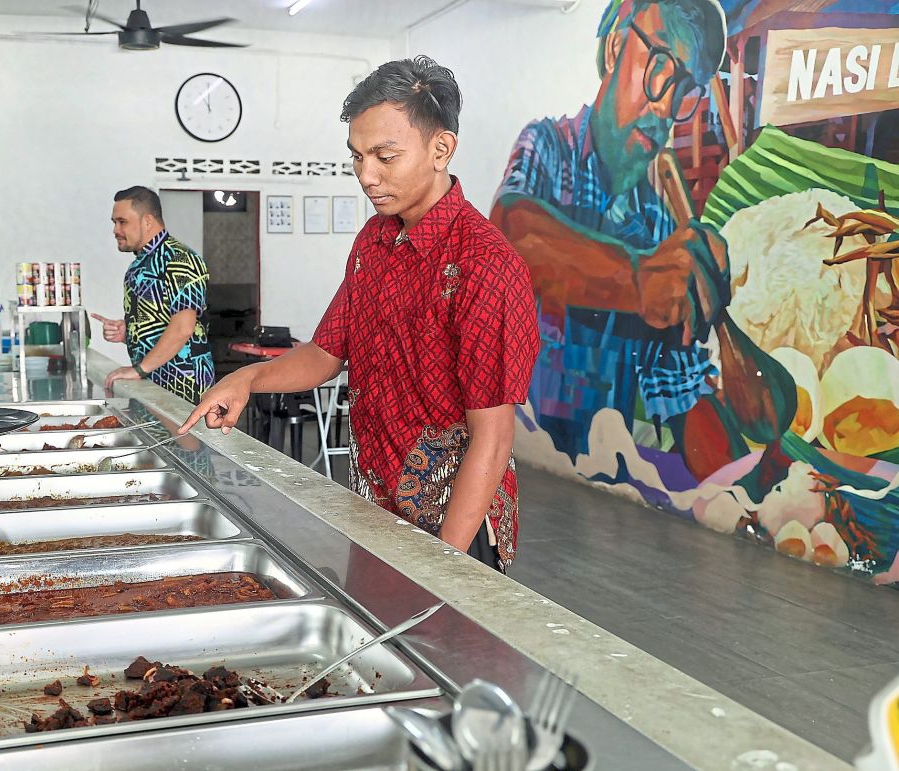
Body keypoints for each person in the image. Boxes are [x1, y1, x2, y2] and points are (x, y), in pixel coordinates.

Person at [180, 57, 540, 572]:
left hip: (455, 521)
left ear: (442, 148)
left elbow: (494, 435)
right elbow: (327, 353)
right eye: (357, 157)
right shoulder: (374, 241)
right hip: (373, 505)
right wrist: (251, 378)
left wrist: (444, 567)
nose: (366, 176)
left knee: (434, 650)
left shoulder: (484, 264)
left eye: (385, 157)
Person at [491, 0, 744, 478]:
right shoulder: (549, 147)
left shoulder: (660, 227)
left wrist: (750, 495)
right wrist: (636, 281)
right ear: (613, 48)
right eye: (661, 67)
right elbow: (510, 232)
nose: (667, 107)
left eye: (686, 89)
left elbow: (683, 389)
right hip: (506, 468)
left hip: (595, 486)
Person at [92, 186, 215, 403]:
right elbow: (160, 324)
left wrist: (139, 370)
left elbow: (183, 328)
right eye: (114, 222)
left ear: (147, 221)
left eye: (122, 222)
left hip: (184, 387)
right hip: (154, 386)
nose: (116, 230)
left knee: (183, 439)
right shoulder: (138, 266)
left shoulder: (180, 260)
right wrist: (129, 332)